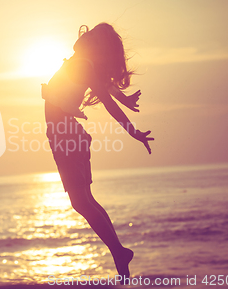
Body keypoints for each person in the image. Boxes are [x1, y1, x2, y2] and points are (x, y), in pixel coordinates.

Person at [42, 23, 154, 282]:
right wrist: (123, 97)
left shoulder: (82, 65)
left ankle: (118, 251)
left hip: (65, 134)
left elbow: (107, 101)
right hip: (69, 133)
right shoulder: (81, 63)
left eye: (90, 36)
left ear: (94, 45)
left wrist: (132, 131)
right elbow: (106, 91)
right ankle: (119, 252)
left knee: (81, 202)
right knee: (86, 200)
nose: (83, 36)